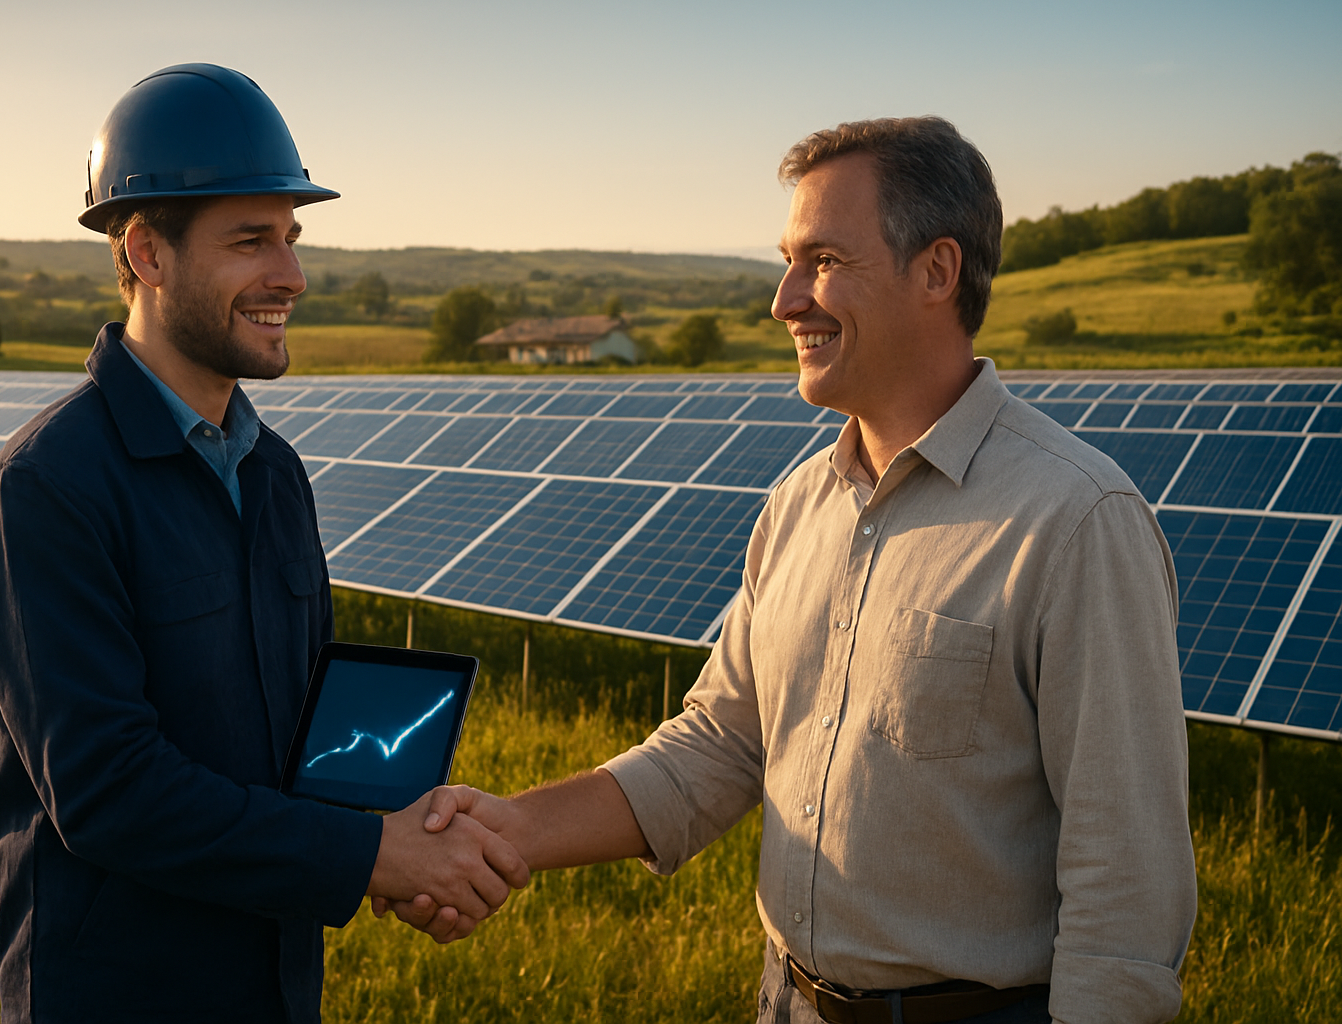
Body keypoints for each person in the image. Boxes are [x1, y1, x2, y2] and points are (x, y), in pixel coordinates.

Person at [382, 117, 1198, 1024]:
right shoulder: (799, 505)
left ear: (937, 271)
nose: (783, 300)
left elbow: (1126, 884)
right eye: (786, 261)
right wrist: (510, 834)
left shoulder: (1076, 522)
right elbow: (720, 745)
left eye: (822, 261)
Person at [0, 63, 527, 1024]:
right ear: (146, 252)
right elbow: (108, 792)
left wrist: (398, 831)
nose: (291, 276)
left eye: (293, 240)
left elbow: (308, 731)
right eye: (251, 241)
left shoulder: (274, 474)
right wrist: (375, 855)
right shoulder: (47, 490)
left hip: (273, 985)